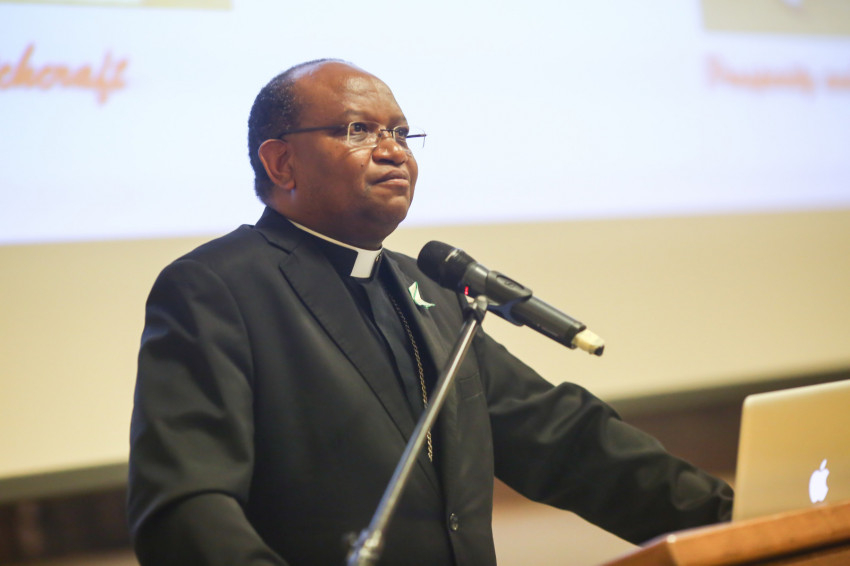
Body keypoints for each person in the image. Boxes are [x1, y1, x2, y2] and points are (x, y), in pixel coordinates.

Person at [128, 59, 733, 566]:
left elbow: (565, 442)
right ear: (281, 163)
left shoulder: (430, 291)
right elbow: (187, 508)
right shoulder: (218, 288)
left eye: (402, 133)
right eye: (360, 130)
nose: (394, 151)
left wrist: (734, 516)